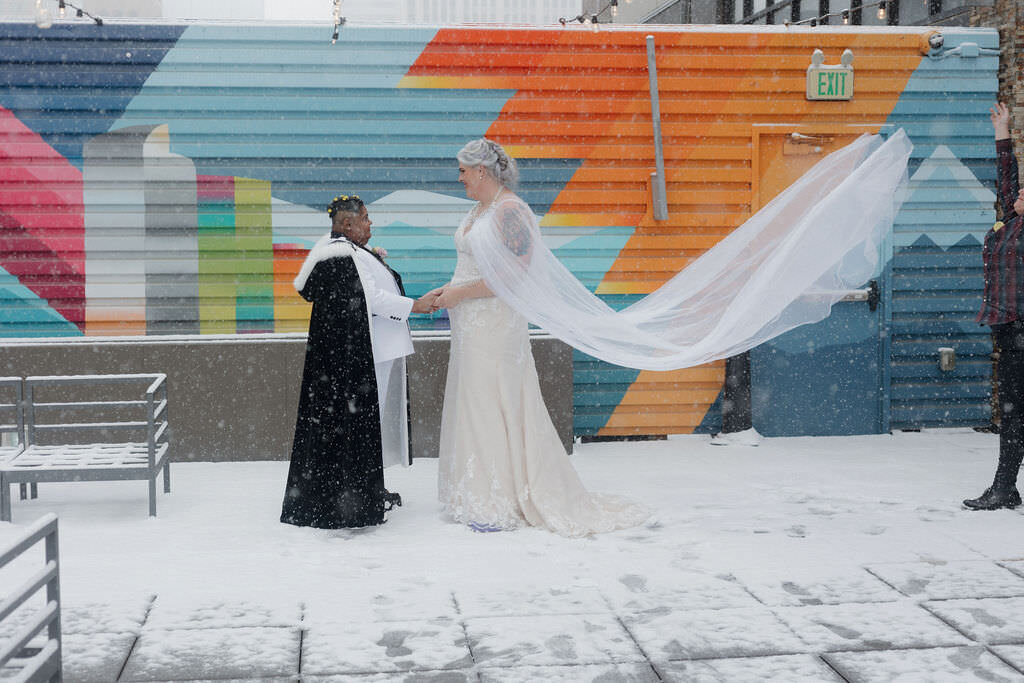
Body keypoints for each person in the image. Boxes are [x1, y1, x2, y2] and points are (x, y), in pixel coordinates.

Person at [428, 139, 652, 536]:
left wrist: (460, 294)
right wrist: (447, 293)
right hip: (470, 322)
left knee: (496, 401)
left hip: (495, 324)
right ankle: (482, 491)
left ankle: (503, 498)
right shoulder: (478, 209)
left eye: (463, 170)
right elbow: (469, 264)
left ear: (482, 171)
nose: (459, 177)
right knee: (475, 402)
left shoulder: (512, 212)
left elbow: (515, 274)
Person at [281, 194, 436, 529]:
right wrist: (416, 306)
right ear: (347, 223)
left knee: (369, 427)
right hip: (368, 354)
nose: (370, 224)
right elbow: (371, 299)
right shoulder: (340, 254)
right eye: (365, 218)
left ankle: (366, 490)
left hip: (379, 350)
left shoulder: (352, 251)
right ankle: (352, 498)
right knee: (360, 427)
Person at [964, 103, 1024, 511]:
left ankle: (1004, 488)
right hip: (1010, 328)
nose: (1018, 193)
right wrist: (1002, 132)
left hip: (1022, 329)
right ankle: (1004, 487)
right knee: (1014, 413)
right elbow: (1007, 180)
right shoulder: (1014, 220)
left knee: (1016, 413)